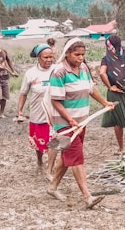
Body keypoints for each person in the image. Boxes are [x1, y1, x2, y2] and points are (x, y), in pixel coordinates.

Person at [47, 38, 116, 209]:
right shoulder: (59, 72)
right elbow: (56, 101)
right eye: (76, 55)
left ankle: (52, 187)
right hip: (65, 124)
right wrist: (69, 120)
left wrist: (104, 103)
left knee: (67, 157)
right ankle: (88, 196)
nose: (80, 58)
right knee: (77, 158)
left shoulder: (83, 68)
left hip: (81, 122)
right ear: (67, 53)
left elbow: (91, 90)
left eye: (82, 55)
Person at [17, 43, 55, 168]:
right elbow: (23, 93)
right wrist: (20, 111)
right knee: (39, 141)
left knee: (53, 141)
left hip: (54, 113)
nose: (49, 60)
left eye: (51, 57)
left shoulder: (57, 71)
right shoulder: (31, 73)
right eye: (46, 57)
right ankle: (39, 160)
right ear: (39, 57)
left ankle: (50, 167)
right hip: (37, 112)